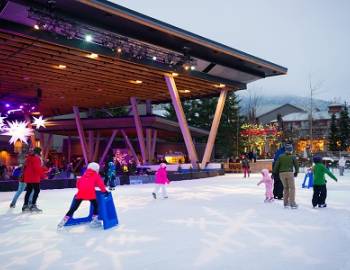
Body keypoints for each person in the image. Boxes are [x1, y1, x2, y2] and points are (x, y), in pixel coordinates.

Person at [57, 162, 108, 229]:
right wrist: (105, 191)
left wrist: (82, 189)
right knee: (96, 205)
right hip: (90, 193)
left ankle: (64, 220)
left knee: (74, 208)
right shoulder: (96, 175)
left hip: (80, 193)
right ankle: (94, 220)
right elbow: (101, 184)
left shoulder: (85, 174)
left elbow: (78, 183)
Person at [273, 143, 299, 209]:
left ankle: (286, 203)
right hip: (289, 173)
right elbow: (296, 165)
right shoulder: (293, 156)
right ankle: (292, 203)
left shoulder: (281, 156)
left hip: (281, 174)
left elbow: (276, 165)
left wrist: (274, 173)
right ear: (291, 150)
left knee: (286, 188)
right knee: (292, 188)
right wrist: (296, 172)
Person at [22, 147, 45, 212]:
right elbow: (37, 168)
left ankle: (25, 205)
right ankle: (33, 205)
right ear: (38, 152)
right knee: (37, 190)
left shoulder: (28, 158)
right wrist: (43, 175)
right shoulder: (36, 159)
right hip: (34, 177)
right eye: (40, 152)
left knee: (29, 191)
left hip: (28, 177)